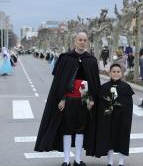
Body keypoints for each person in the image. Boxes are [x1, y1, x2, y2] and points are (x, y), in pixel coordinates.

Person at [34, 32, 101, 166]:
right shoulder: (65, 58)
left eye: (85, 40)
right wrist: (62, 99)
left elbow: (93, 83)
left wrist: (91, 99)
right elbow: (60, 82)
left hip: (83, 100)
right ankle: (66, 160)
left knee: (81, 128)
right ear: (75, 41)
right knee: (67, 128)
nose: (82, 42)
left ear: (87, 42)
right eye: (80, 40)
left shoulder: (91, 60)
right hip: (68, 100)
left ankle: (77, 159)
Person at [95, 63, 135, 166]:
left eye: (118, 72)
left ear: (121, 73)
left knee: (122, 138)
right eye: (114, 72)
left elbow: (128, 105)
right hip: (109, 118)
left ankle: (121, 162)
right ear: (109, 73)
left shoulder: (126, 87)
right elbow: (101, 104)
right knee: (110, 138)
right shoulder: (104, 87)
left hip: (122, 118)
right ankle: (110, 162)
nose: (116, 74)